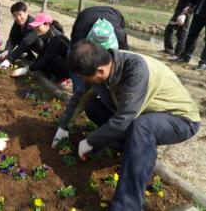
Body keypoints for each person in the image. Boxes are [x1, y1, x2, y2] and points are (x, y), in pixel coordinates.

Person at [52, 40, 200, 211]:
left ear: (100, 71)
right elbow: (80, 96)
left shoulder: (135, 71)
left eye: (85, 78)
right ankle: (128, 146)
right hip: (142, 114)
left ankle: (127, 206)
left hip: (179, 119)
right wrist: (63, 126)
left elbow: (124, 119)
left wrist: (90, 142)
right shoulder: (102, 64)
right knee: (93, 106)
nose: (84, 81)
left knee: (142, 127)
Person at [70, 6, 126, 92]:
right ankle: (79, 92)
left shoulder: (119, 36)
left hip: (113, 14)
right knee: (79, 68)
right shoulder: (81, 37)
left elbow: (123, 57)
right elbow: (73, 44)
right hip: (86, 16)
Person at [12, 13, 70, 84]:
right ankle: (47, 76)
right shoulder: (47, 34)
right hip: (61, 63)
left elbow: (46, 57)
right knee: (42, 59)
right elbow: (42, 53)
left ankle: (61, 79)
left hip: (69, 68)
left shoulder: (56, 38)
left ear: (47, 24)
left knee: (49, 59)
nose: (35, 28)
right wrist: (33, 66)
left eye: (38, 26)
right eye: (35, 26)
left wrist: (27, 69)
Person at [0, 1, 43, 68]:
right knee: (18, 37)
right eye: (15, 15)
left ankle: (41, 60)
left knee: (30, 41)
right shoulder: (17, 22)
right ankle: (31, 57)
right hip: (27, 43)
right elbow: (12, 38)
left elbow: (25, 43)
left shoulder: (33, 24)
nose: (18, 18)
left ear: (26, 13)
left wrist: (9, 60)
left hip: (42, 48)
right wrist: (7, 51)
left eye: (20, 14)